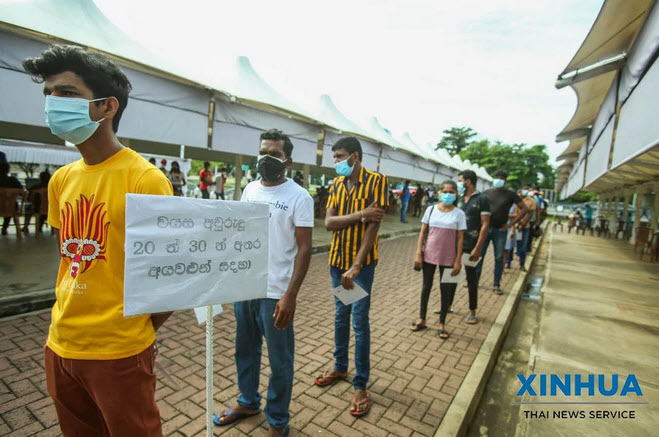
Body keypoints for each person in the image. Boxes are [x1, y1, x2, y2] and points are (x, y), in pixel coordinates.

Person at [23, 45, 173, 436]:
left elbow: (167, 275)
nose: (53, 103)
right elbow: (68, 260)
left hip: (119, 352)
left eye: (67, 93)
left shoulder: (146, 180)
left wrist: (134, 332)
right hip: (60, 343)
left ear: (107, 107)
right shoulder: (62, 180)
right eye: (49, 93)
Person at [214, 129, 313, 437]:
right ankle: (248, 402)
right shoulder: (250, 190)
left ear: (288, 161)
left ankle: (278, 421)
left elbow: (305, 249)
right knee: (245, 351)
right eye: (263, 152)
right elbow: (242, 234)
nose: (267, 159)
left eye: (275, 154)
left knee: (280, 361)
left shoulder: (300, 197)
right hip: (246, 288)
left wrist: (290, 296)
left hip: (276, 293)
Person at [314, 136, 388, 418]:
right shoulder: (336, 184)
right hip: (337, 262)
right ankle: (340, 366)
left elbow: (373, 226)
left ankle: (360, 385)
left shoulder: (376, 181)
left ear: (355, 156)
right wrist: (361, 214)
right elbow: (329, 223)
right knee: (341, 315)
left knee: (359, 321)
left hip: (361, 266)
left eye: (340, 156)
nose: (336, 162)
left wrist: (356, 266)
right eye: (334, 157)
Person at [411, 180, 465, 339]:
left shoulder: (459, 214)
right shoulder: (431, 209)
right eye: (445, 191)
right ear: (440, 193)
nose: (447, 195)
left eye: (451, 192)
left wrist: (458, 260)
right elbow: (423, 232)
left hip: (449, 257)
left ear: (456, 194)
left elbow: (460, 238)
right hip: (429, 254)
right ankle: (422, 318)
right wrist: (418, 253)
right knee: (426, 286)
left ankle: (442, 323)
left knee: (445, 289)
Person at [476, 170, 528, 295]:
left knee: (499, 257)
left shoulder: (510, 194)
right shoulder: (486, 193)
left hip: (500, 229)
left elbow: (524, 209)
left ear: (505, 180)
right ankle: (474, 281)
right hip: (485, 228)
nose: (499, 180)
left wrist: (511, 224)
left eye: (502, 178)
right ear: (493, 178)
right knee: (479, 255)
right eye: (497, 177)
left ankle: (496, 284)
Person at [23, 170, 51, 234]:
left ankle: (26, 226)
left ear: (40, 178)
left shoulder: (35, 188)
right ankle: (42, 227)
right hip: (51, 209)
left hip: (36, 209)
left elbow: (29, 199)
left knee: (29, 208)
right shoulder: (54, 188)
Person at [0, 161, 24, 236]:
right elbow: (22, 192)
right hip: (11, 207)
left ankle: (4, 228)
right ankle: (5, 228)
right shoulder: (13, 180)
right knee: (10, 205)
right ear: (8, 170)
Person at [517, 185, 537, 271]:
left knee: (523, 246)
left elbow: (530, 213)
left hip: (525, 226)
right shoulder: (516, 199)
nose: (525, 190)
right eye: (524, 189)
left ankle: (522, 264)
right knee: (511, 246)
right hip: (515, 226)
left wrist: (523, 223)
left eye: (527, 189)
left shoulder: (531, 201)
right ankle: (508, 262)